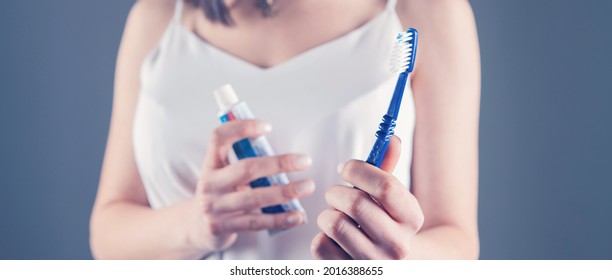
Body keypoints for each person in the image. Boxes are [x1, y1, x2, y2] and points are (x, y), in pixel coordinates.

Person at [90, 0, 481, 259]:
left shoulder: (428, 9)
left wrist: (394, 255)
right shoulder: (157, 15)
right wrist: (195, 225)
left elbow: (458, 244)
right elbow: (107, 234)